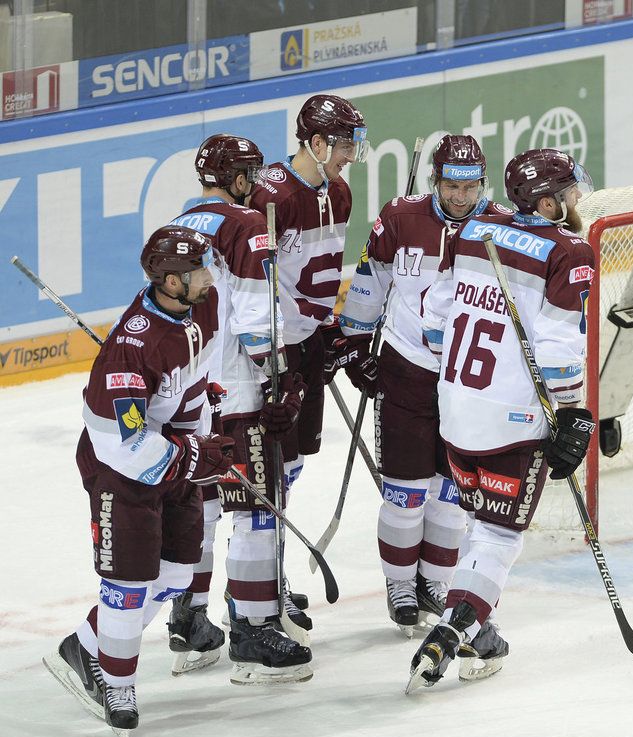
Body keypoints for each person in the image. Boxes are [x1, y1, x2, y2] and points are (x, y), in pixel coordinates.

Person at [406, 148, 596, 691]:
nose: (576, 198)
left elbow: (436, 321)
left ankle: (478, 635)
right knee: (498, 537)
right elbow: (560, 352)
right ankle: (452, 628)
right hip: (512, 425)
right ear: (547, 201)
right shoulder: (568, 251)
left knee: (479, 523)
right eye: (568, 191)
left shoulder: (474, 231)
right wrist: (572, 413)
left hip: (457, 410)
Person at [43, 226, 232, 737]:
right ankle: (117, 684)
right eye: (197, 271)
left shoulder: (204, 305)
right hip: (121, 473)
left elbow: (202, 376)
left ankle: (85, 645)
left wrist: (212, 425)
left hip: (175, 459)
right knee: (128, 584)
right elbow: (120, 445)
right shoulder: (131, 349)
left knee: (175, 575)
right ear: (171, 281)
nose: (209, 278)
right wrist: (193, 455)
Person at [338, 135, 512, 637]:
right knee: (405, 493)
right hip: (407, 365)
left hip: (468, 379)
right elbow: (372, 279)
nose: (461, 197)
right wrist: (353, 342)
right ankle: (399, 587)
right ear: (435, 180)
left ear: (484, 182)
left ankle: (434, 583)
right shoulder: (400, 217)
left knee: (452, 493)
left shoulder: (500, 225)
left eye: (470, 186)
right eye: (451, 186)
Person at [168, 133, 312, 684]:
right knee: (256, 508)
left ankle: (189, 620)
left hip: (190, 393)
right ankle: (252, 632)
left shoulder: (178, 227)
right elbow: (256, 319)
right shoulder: (246, 226)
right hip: (239, 392)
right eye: (250, 176)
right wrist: (281, 381)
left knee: (200, 507)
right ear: (238, 179)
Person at [248, 94, 368, 633]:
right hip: (275, 348)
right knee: (266, 469)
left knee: (292, 464)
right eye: (343, 145)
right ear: (316, 143)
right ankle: (256, 587)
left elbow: (323, 272)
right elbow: (253, 284)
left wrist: (331, 330)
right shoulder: (269, 196)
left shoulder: (338, 192)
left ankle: (271, 574)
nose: (349, 155)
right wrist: (277, 351)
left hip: (310, 340)